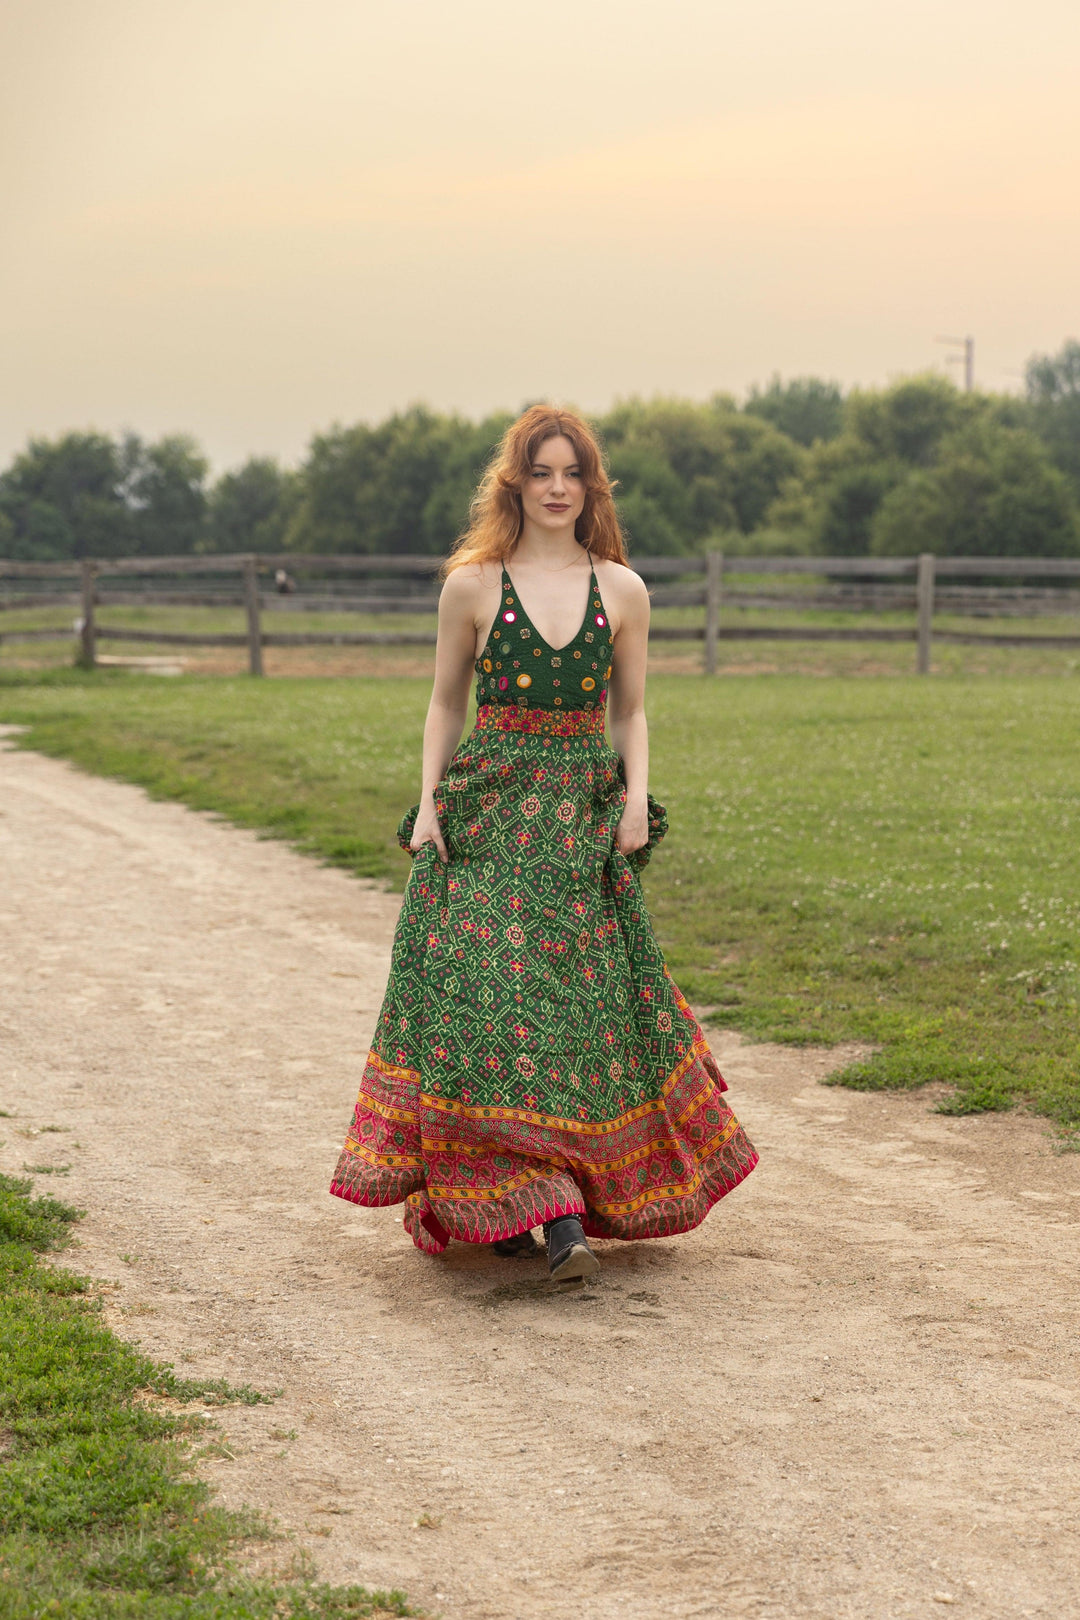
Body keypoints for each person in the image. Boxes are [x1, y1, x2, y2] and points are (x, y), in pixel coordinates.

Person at [330, 405, 757, 1282]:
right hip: (486, 811)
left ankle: (552, 1201)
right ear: (514, 483)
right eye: (541, 473)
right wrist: (428, 804)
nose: (558, 488)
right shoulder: (473, 585)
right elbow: (446, 703)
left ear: (589, 485)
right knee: (486, 1003)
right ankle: (533, 1210)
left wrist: (635, 801)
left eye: (572, 474)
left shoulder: (624, 590)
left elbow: (630, 711)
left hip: (576, 818)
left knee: (575, 1014)